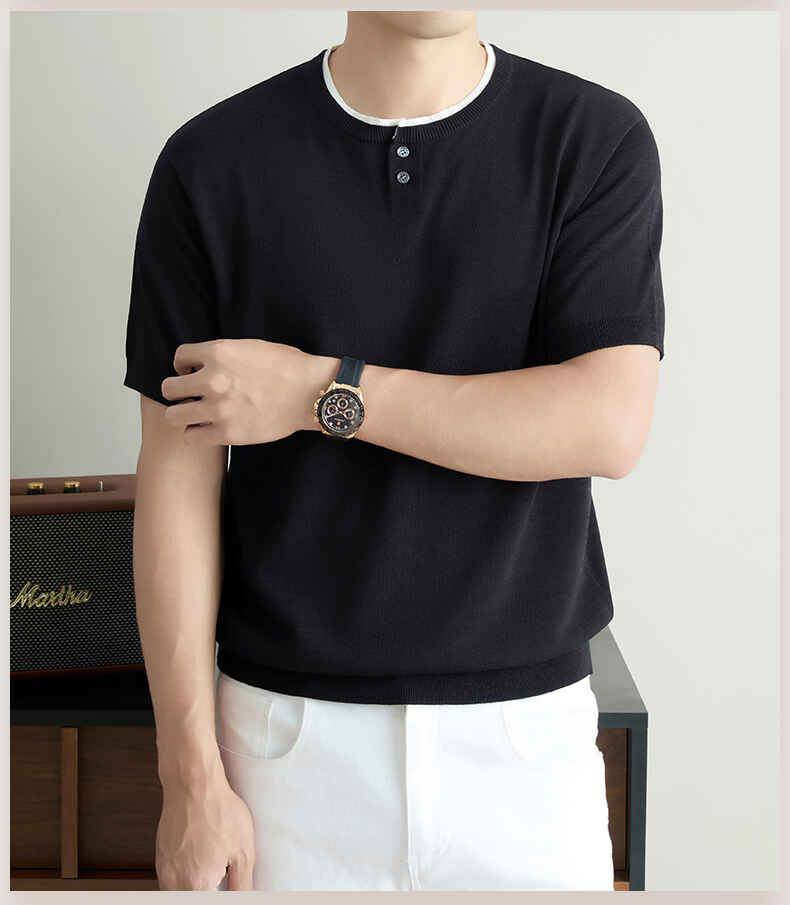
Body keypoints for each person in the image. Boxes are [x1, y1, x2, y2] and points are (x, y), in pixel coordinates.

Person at [123, 10, 664, 892]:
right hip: (280, 750)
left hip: (526, 757)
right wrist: (187, 775)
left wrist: (318, 392)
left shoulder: (592, 139)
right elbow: (175, 480)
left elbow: (607, 422)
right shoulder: (211, 161)